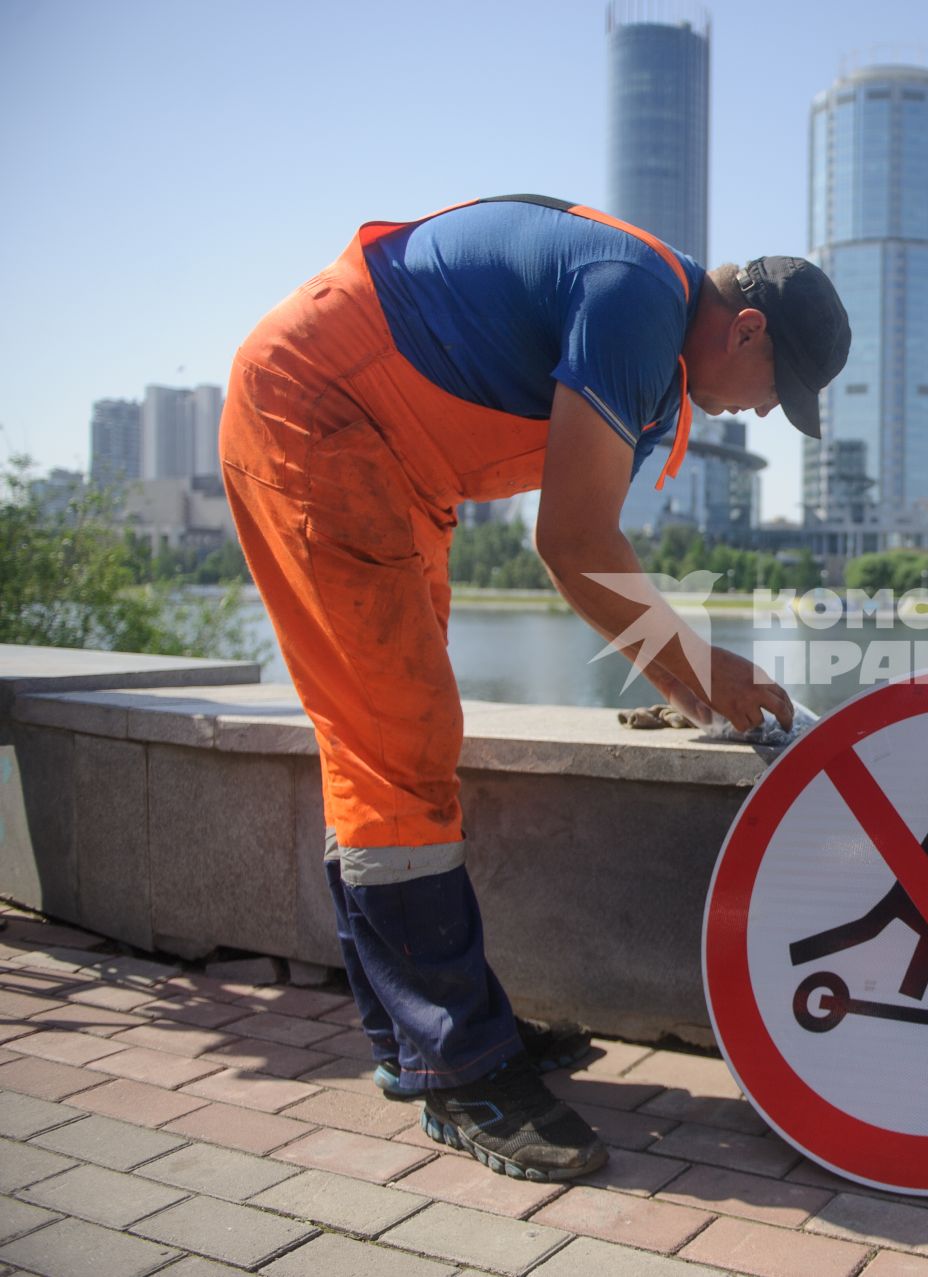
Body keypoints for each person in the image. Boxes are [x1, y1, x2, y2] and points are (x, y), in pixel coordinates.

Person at [218, 194, 849, 1181]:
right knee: (402, 732)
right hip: (322, 414)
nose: (768, 410)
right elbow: (574, 542)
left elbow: (592, 540)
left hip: (395, 461)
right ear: (748, 329)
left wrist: (692, 681)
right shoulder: (637, 295)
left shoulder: (657, 335)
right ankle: (458, 1067)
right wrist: (704, 670)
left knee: (383, 738)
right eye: (780, 387)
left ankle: (422, 1034)